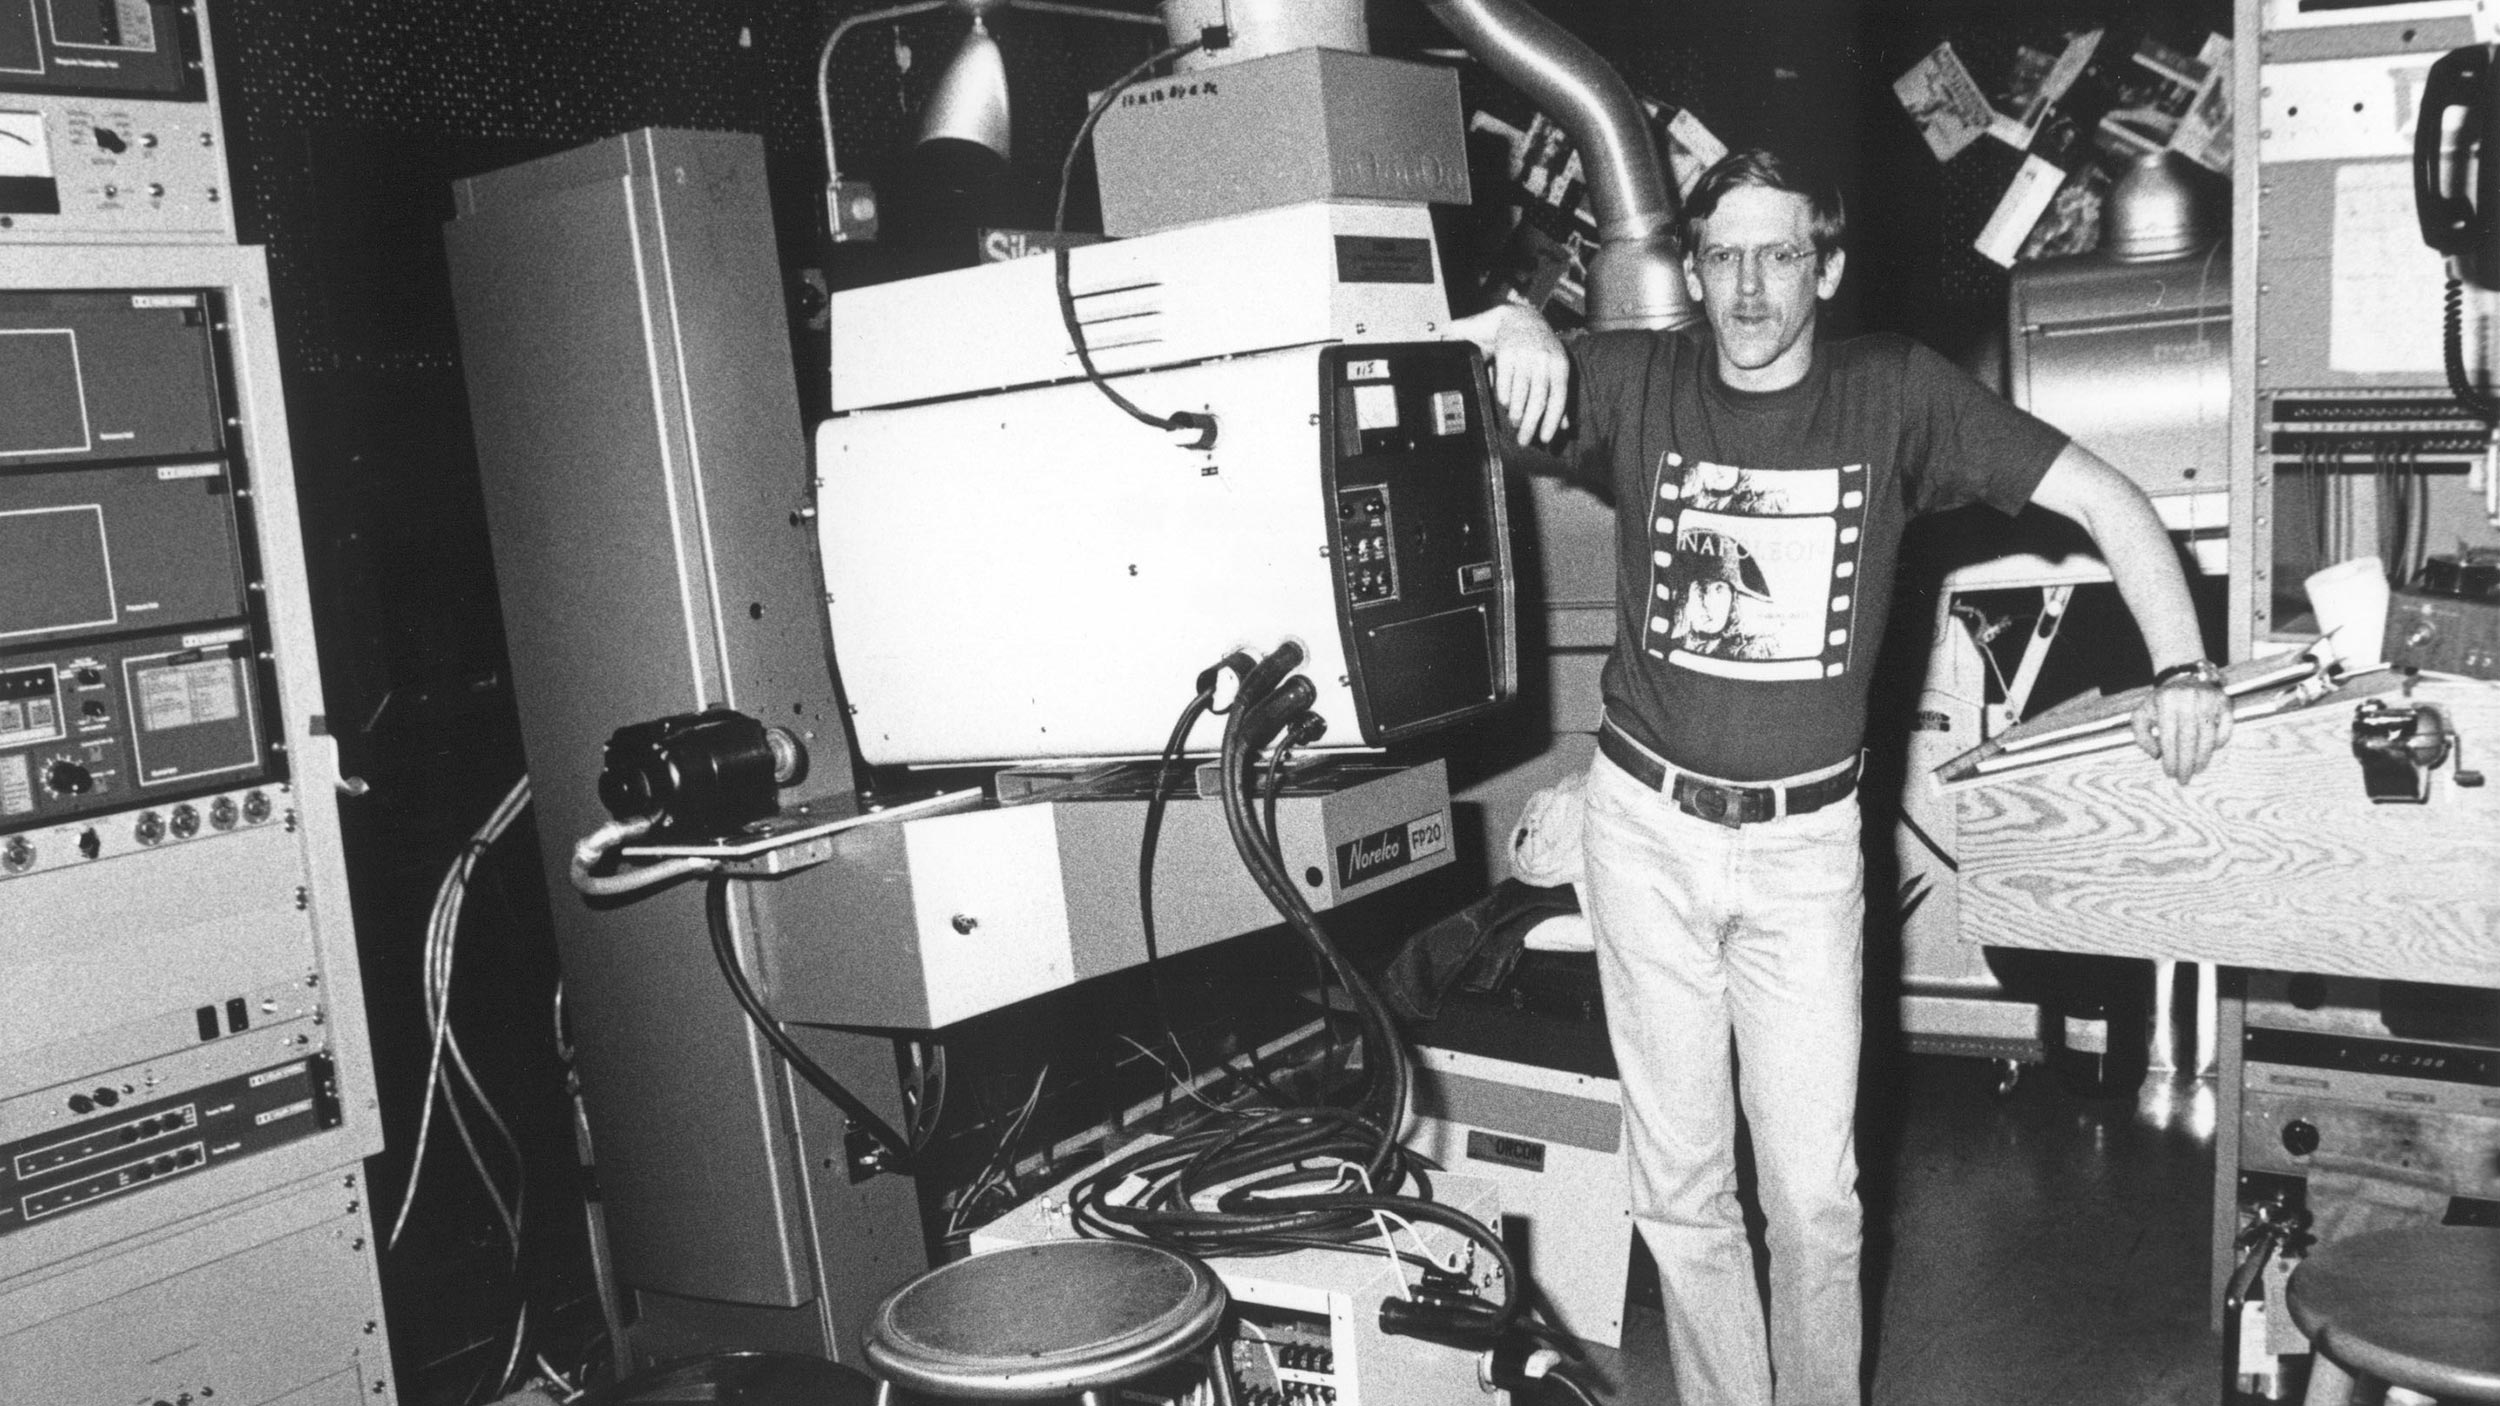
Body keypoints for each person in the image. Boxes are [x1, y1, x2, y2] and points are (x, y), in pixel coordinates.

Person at [1449, 148, 2232, 1406]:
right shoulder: (1636, 380)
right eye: (1722, 257)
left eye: (1779, 254)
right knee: (1683, 1185)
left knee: (1813, 1197)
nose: (1750, 286)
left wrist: (2185, 667)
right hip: (1642, 826)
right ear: (1691, 273)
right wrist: (1505, 321)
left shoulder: (1897, 395)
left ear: (1828, 265)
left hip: (1805, 851)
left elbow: (2107, 497)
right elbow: (1423, 366)